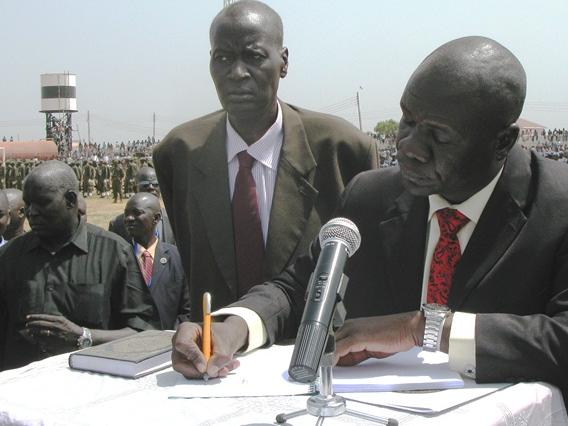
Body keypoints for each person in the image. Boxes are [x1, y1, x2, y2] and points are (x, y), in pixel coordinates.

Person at [171, 36, 568, 425]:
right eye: (408, 120)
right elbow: (299, 288)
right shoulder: (371, 195)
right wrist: (233, 327)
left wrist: (423, 327)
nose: (409, 147)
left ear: (502, 142)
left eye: (439, 136)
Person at [153, 0, 377, 317]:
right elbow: (194, 265)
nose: (237, 73)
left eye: (254, 56)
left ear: (283, 62)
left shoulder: (342, 150)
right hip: (217, 342)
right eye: (223, 58)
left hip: (315, 341)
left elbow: (365, 270)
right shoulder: (179, 153)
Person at [0, 160, 156, 371]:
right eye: (28, 204)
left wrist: (84, 337)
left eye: (43, 203)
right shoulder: (9, 256)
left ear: (71, 201)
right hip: (19, 384)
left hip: (89, 381)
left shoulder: (114, 253)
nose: (32, 212)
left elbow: (145, 334)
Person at [123, 192, 189, 330]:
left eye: (137, 213)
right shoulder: (118, 257)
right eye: (126, 214)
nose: (129, 218)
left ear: (156, 218)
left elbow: (187, 307)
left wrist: (171, 334)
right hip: (129, 339)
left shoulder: (177, 257)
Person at [109, 166, 175, 244]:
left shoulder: (173, 220)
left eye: (155, 184)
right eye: (145, 185)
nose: (151, 187)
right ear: (135, 189)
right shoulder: (117, 225)